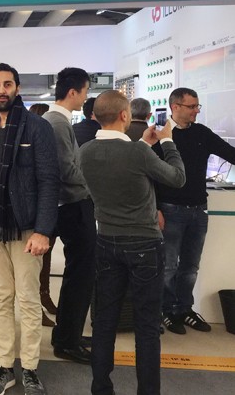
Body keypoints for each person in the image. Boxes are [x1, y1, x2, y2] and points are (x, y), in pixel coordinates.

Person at [80, 90, 185, 395]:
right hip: (144, 245)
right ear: (125, 115)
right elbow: (177, 178)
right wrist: (167, 141)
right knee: (147, 326)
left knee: (104, 322)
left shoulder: (84, 151)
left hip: (106, 241)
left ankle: (101, 388)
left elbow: (119, 166)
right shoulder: (137, 154)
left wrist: (145, 145)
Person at [0, 63, 60, 395]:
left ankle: (31, 368)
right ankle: (5, 366)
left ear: (17, 88)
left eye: (7, 84)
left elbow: (49, 181)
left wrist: (43, 230)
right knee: (1, 298)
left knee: (28, 299)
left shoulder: (37, 127)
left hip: (26, 229)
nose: (1, 90)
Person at [155, 87, 235, 334]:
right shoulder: (160, 136)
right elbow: (150, 176)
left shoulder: (201, 133)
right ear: (175, 107)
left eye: (197, 106)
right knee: (168, 265)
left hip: (199, 209)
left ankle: (183, 308)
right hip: (170, 209)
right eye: (192, 106)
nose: (196, 111)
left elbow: (230, 153)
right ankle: (167, 310)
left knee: (190, 265)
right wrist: (156, 208)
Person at [43, 67, 95, 365]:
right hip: (72, 206)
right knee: (80, 274)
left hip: (71, 205)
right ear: (73, 92)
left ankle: (67, 334)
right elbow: (66, 170)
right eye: (85, 91)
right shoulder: (58, 123)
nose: (86, 98)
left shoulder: (58, 121)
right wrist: (92, 188)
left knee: (78, 274)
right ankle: (67, 340)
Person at [28, 102, 57, 326]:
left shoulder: (41, 133)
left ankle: (43, 298)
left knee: (42, 262)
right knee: (37, 265)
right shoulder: (42, 133)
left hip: (44, 211)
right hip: (39, 212)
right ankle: (41, 301)